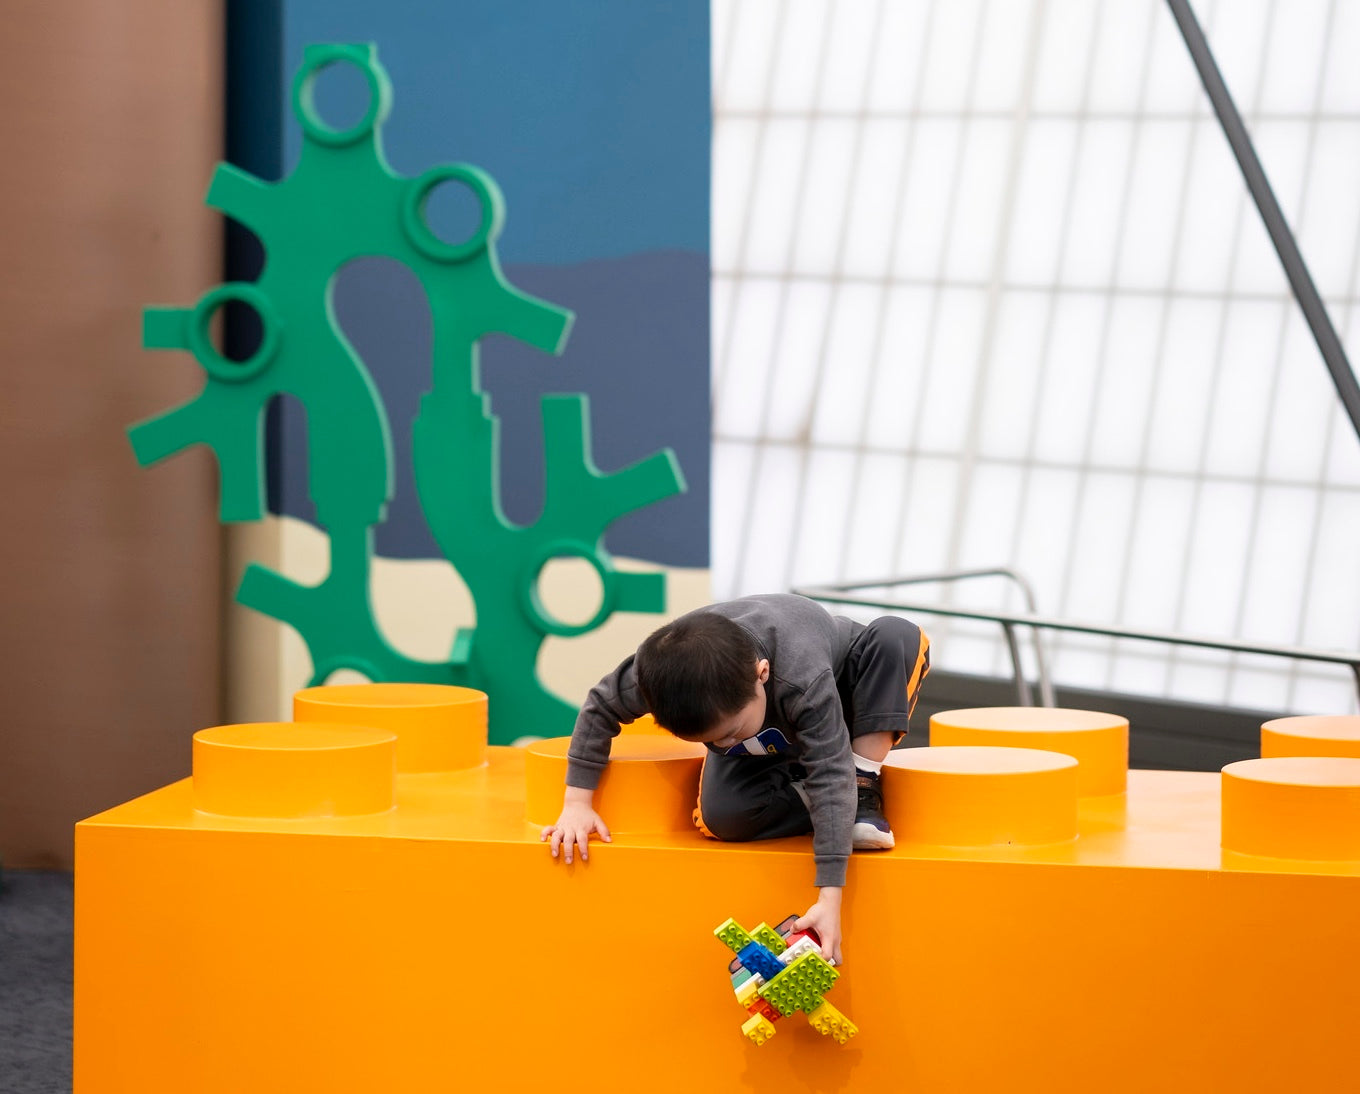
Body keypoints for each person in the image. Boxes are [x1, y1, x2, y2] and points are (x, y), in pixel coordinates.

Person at [540, 592, 931, 966]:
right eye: (708, 739)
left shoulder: (801, 673)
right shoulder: (661, 672)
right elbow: (599, 706)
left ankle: (861, 778)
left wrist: (829, 899)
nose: (722, 742)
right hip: (776, 743)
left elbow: (829, 768)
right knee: (722, 817)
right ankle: (815, 790)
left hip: (843, 703)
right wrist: (577, 803)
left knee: (895, 634)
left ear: (762, 674)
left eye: (729, 732)